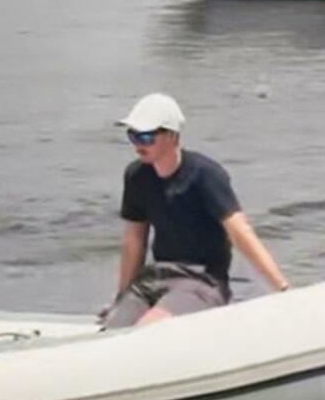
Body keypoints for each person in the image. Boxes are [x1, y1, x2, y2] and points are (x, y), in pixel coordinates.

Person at [102, 92, 291, 329]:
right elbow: (134, 240)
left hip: (202, 281)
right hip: (155, 279)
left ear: (172, 136)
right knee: (113, 329)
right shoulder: (136, 176)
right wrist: (121, 296)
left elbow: (240, 231)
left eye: (147, 137)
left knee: (149, 328)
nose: (138, 144)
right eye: (133, 135)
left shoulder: (205, 175)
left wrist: (282, 289)